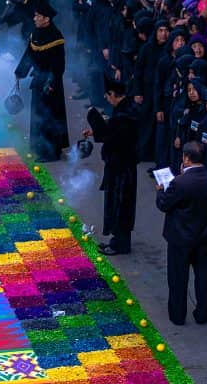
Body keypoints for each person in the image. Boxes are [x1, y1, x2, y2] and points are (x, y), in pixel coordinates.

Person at [155, 142, 207, 325]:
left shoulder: (180, 182)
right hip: (205, 236)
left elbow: (164, 204)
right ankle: (203, 313)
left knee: (178, 278)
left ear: (186, 158)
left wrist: (160, 191)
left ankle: (178, 315)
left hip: (181, 238)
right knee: (203, 277)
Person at [83, 78, 140, 256]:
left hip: (122, 167)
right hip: (121, 165)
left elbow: (113, 137)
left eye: (108, 96)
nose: (107, 99)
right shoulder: (125, 109)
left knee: (120, 205)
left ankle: (121, 245)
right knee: (118, 204)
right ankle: (117, 240)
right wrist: (96, 131)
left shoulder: (125, 115)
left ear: (114, 95)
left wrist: (95, 122)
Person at [13, 1, 69, 162]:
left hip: (50, 84)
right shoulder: (36, 33)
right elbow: (29, 54)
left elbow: (58, 65)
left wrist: (51, 83)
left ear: (47, 19)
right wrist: (20, 72)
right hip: (38, 80)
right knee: (38, 115)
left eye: (38, 16)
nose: (35, 18)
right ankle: (40, 147)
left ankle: (51, 152)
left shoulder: (56, 37)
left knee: (49, 116)